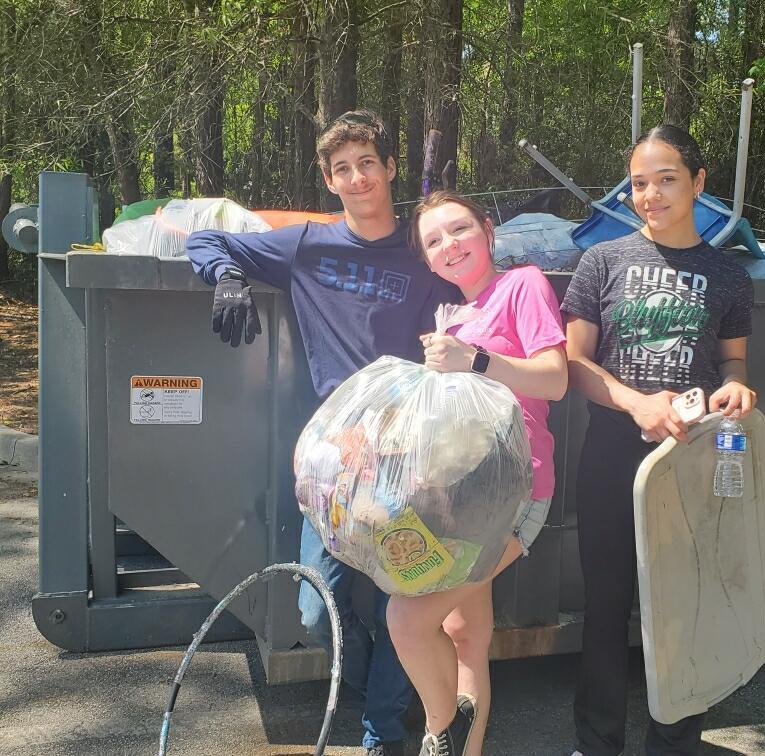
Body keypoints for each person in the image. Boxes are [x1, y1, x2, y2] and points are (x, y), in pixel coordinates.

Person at [186, 110, 459, 756]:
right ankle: (374, 680)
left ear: (390, 168)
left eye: (368, 164)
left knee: (401, 601)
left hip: (403, 458)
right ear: (329, 180)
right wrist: (226, 279)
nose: (357, 178)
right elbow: (205, 239)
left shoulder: (422, 254)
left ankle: (382, 733)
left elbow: (464, 320)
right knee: (317, 610)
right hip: (333, 461)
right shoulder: (308, 246)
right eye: (343, 169)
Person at [560, 125, 757, 756]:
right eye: (639, 183)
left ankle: (673, 744)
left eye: (667, 179)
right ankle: (597, 743)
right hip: (612, 456)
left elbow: (732, 362)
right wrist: (636, 402)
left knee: (683, 605)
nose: (651, 195)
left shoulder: (729, 276)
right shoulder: (603, 261)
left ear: (698, 183)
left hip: (689, 463)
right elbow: (574, 364)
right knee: (606, 604)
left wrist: (736, 388)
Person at [385, 191, 568, 756]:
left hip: (511, 492)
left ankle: (440, 734)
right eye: (434, 240)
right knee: (464, 635)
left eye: (459, 229)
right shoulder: (453, 317)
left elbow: (555, 379)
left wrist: (475, 360)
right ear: (427, 259)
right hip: (457, 493)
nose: (449, 245)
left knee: (408, 619)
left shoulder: (523, 285)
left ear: (488, 230)